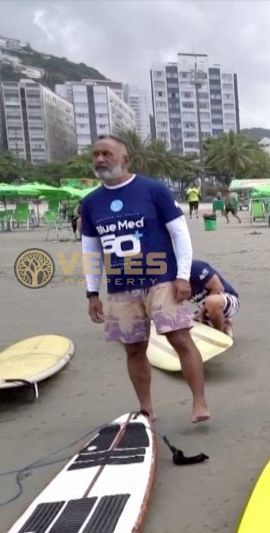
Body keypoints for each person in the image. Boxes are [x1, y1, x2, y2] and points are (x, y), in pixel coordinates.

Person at [80, 134, 209, 423]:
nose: (100, 159)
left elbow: (179, 233)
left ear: (125, 160)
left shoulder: (152, 190)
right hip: (120, 288)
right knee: (135, 348)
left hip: (161, 281)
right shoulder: (91, 203)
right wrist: (92, 293)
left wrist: (183, 276)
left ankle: (199, 403)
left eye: (107, 154)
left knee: (180, 339)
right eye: (96, 154)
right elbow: (91, 248)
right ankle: (147, 408)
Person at [189, 259, 239, 337]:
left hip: (227, 300)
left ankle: (219, 334)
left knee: (212, 302)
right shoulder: (168, 279)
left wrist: (201, 313)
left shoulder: (195, 267)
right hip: (203, 309)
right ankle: (220, 323)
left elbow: (218, 288)